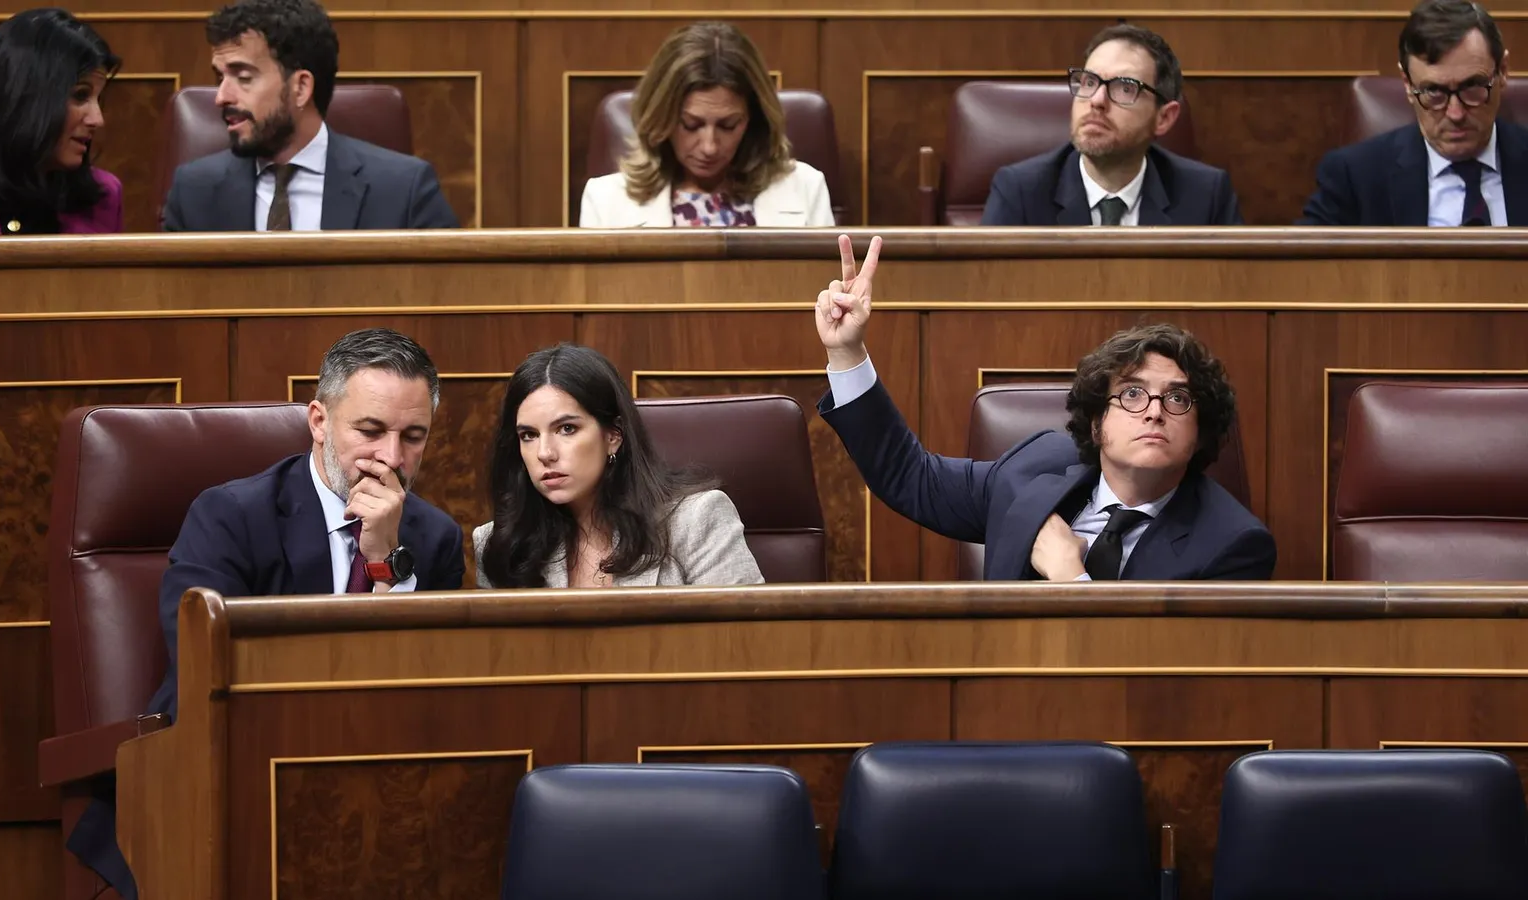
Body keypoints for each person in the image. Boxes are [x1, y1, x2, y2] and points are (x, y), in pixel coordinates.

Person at [66, 327, 467, 899]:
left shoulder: (434, 538)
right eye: (370, 431)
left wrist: (384, 565)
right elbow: (205, 667)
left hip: (379, 794)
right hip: (225, 781)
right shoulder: (231, 516)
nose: (392, 457)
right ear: (319, 421)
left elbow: (432, 691)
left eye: (414, 436)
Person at [813, 234, 1274, 581]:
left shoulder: (1233, 546)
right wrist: (846, 352)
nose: (1154, 411)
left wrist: (1072, 580)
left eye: (1177, 398)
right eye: (1132, 394)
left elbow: (1165, 672)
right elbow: (910, 477)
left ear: (1201, 431)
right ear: (1096, 423)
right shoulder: (1031, 471)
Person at [474, 342, 763, 587]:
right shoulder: (500, 545)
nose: (545, 453)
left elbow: (743, 635)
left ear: (613, 436)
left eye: (567, 429)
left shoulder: (696, 521)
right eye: (529, 435)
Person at [162, 0, 458, 231]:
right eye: (220, 78)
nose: (221, 97)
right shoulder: (193, 193)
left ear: (301, 87)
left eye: (243, 77)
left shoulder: (404, 190)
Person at [980, 24, 1242, 227]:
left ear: (1163, 118)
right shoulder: (1020, 192)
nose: (1096, 101)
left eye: (1125, 88)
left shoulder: (1206, 195)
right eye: (1089, 82)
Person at [579, 20, 832, 228]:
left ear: (754, 119)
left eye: (728, 126)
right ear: (661, 117)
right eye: (691, 125)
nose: (709, 147)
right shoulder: (605, 200)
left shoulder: (806, 187)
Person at [1300, 0, 1525, 225]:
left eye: (1472, 87)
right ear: (1408, 84)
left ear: (1502, 72)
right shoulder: (1354, 178)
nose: (1455, 114)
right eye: (1434, 91)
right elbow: (1305, 248)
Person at [0, 8, 122, 236]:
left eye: (99, 99)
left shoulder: (104, 196)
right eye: (80, 96)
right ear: (23, 98)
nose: (97, 119)